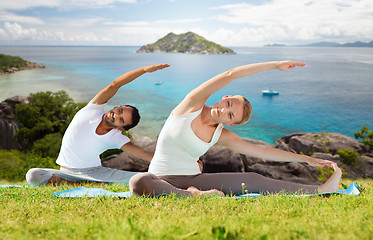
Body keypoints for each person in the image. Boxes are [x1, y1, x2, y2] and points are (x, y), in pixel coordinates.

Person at [129, 60, 342, 197]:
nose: (224, 111)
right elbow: (230, 74)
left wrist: (305, 159)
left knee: (253, 180)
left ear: (230, 123)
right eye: (228, 105)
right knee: (138, 181)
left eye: (230, 115)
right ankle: (193, 196)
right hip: (159, 178)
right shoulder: (191, 105)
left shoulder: (222, 134)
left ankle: (321, 190)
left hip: (194, 179)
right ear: (225, 97)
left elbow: (263, 151)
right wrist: (276, 65)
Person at [26, 64, 170, 186]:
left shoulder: (116, 137)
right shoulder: (93, 109)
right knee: (33, 175)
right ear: (117, 106)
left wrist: (174, 162)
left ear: (121, 128)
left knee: (141, 178)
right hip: (65, 172)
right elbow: (115, 84)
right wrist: (144, 70)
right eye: (119, 110)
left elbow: (143, 154)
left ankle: (88, 183)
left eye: (121, 119)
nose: (115, 115)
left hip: (97, 173)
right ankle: (81, 183)